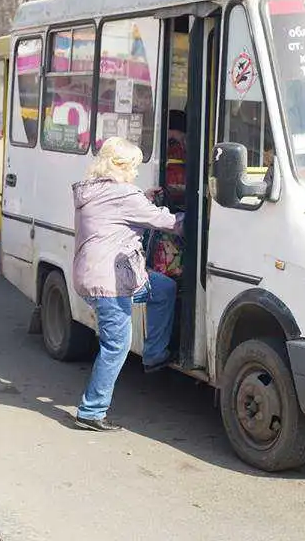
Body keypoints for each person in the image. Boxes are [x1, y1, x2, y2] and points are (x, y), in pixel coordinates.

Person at [72, 136, 184, 432]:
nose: (135, 172)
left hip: (99, 276)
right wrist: (199, 218)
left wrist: (142, 199)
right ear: (118, 165)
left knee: (162, 289)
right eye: (133, 166)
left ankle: (155, 354)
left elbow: (120, 211)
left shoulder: (96, 191)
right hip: (111, 281)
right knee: (116, 346)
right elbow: (168, 223)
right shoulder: (122, 195)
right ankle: (90, 411)